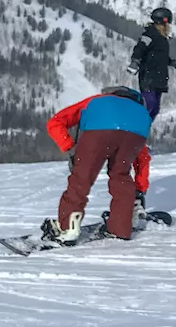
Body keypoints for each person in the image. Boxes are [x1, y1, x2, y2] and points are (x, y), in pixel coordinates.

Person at [42, 86, 154, 242]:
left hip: (98, 134)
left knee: (82, 178)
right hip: (135, 136)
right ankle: (120, 227)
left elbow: (55, 123)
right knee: (121, 176)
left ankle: (67, 228)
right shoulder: (142, 113)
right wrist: (140, 190)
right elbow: (143, 159)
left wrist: (70, 148)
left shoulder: (98, 101)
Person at [130, 7, 176, 119]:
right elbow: (140, 48)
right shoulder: (150, 34)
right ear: (163, 22)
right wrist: (135, 61)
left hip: (159, 78)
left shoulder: (162, 38)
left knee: (154, 109)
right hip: (149, 76)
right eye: (168, 23)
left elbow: (160, 56)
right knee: (148, 105)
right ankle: (134, 127)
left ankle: (142, 131)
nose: (168, 26)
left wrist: (173, 63)